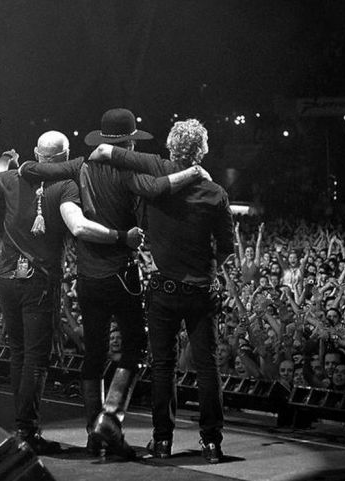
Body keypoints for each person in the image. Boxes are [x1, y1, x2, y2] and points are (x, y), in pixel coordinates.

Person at [15, 108, 209, 458]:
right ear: (128, 142)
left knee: (94, 353)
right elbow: (157, 187)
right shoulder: (126, 170)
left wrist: (25, 165)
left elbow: (33, 170)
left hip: (87, 278)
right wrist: (194, 172)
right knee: (134, 348)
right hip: (120, 274)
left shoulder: (79, 166)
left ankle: (94, 433)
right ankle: (111, 416)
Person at [0, 130, 142, 455]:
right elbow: (79, 227)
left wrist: (8, 157)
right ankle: (27, 433)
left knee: (18, 353)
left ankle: (23, 429)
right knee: (35, 359)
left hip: (8, 276)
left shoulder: (13, 178)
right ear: (65, 156)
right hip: (39, 281)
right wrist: (121, 236)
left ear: (36, 154)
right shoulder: (66, 185)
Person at [90, 118, 234, 464]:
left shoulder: (155, 173)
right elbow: (227, 248)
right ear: (202, 150)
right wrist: (205, 269)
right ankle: (212, 443)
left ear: (171, 147)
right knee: (207, 366)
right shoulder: (216, 193)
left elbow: (105, 152)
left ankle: (163, 441)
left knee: (164, 366)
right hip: (200, 290)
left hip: (164, 288)